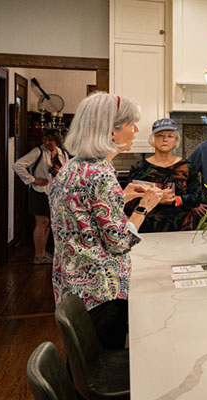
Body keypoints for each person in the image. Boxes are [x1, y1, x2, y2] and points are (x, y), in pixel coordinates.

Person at [49, 92, 163, 349]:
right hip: (101, 292)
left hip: (72, 285)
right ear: (111, 131)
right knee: (101, 363)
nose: (135, 130)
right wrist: (144, 207)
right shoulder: (101, 174)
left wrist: (121, 197)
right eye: (131, 124)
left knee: (81, 362)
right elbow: (118, 241)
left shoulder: (73, 167)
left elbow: (82, 218)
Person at [126, 118, 202, 232]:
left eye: (170, 136)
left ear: (176, 140)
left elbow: (196, 198)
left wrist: (175, 200)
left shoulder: (187, 167)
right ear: (153, 139)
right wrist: (156, 198)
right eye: (160, 135)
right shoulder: (139, 169)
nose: (165, 139)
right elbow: (128, 202)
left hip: (182, 230)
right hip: (147, 229)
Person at [13, 129, 70, 264]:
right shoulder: (38, 152)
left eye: (50, 140)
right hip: (40, 191)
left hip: (55, 192)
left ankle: (43, 252)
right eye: (44, 139)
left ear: (57, 141)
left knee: (48, 224)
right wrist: (33, 179)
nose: (46, 142)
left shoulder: (63, 154)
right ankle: (38, 256)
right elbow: (18, 165)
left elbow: (67, 171)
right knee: (41, 223)